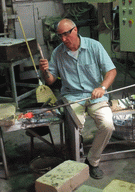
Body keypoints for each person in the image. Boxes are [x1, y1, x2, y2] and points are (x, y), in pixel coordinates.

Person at [39, 18, 117, 179]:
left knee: (108, 125)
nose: (63, 39)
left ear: (75, 30)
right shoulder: (58, 53)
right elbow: (50, 80)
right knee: (74, 126)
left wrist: (102, 88)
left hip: (95, 96)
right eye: (59, 36)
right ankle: (74, 161)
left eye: (66, 35)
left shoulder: (94, 46)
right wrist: (45, 71)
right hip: (72, 96)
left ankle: (92, 161)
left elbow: (111, 71)